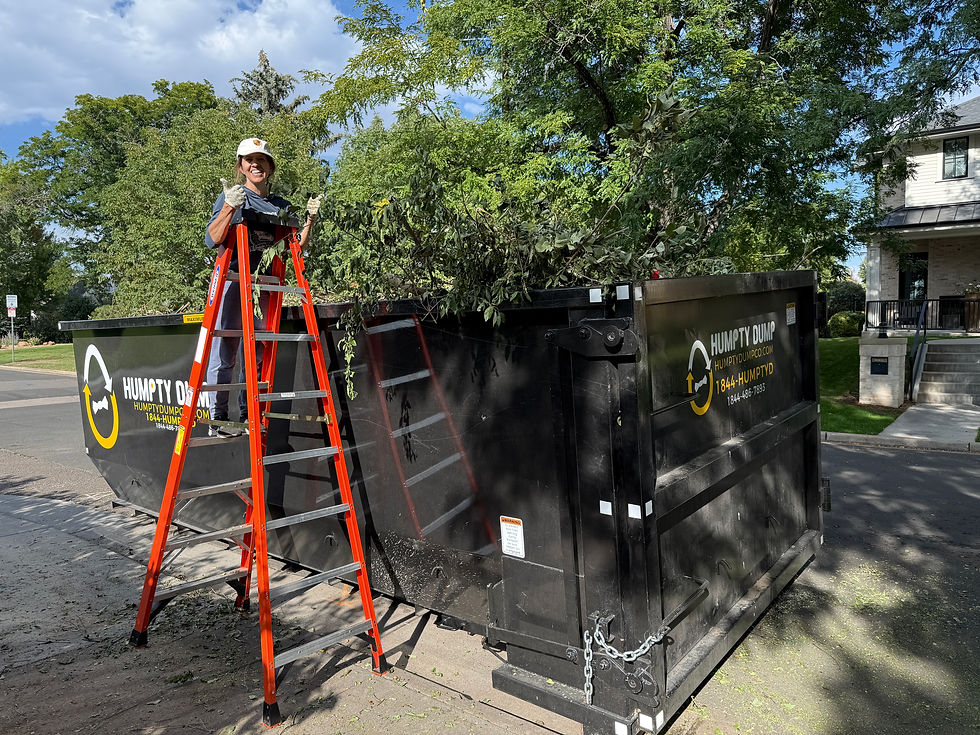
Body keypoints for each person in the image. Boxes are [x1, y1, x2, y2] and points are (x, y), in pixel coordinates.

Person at [204, 137, 322, 436]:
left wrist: (308, 220)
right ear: (241, 166)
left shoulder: (280, 205)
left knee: (256, 354)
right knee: (225, 350)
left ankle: (249, 417)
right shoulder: (232, 195)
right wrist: (229, 207)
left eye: (261, 160)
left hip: (265, 285)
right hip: (233, 281)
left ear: (269, 167)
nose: (255, 164)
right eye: (249, 160)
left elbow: (294, 247)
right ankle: (218, 419)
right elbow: (213, 239)